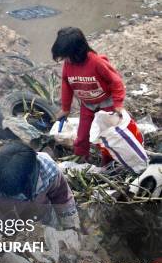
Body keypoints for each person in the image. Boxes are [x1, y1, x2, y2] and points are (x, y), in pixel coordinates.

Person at [52, 27, 142, 163]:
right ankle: (81, 157)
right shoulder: (68, 65)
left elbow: (116, 82)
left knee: (107, 133)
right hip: (87, 105)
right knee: (82, 135)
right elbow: (66, 85)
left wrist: (118, 104)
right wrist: (65, 109)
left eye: (67, 56)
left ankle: (108, 159)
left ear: (78, 51)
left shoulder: (96, 62)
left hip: (107, 104)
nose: (66, 60)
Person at [0, 142, 79, 230]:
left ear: (30, 181)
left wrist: (70, 226)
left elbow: (63, 199)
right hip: (9, 223)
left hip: (43, 217)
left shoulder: (49, 172)